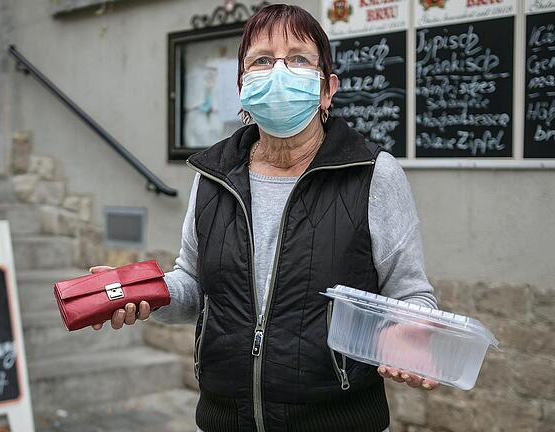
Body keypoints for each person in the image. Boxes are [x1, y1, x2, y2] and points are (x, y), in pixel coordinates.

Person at [90, 4, 438, 431]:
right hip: (225, 419)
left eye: (297, 59)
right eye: (261, 60)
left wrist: (408, 328)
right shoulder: (214, 176)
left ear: (327, 89)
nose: (279, 72)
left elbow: (412, 295)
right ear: (242, 87)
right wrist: (142, 291)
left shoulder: (372, 174)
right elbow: (194, 283)